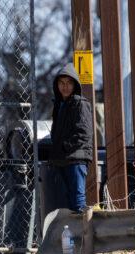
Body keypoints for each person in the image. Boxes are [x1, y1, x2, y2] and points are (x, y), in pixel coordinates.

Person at [49, 63, 93, 213]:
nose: (65, 87)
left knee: (78, 201)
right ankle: (72, 236)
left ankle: (84, 235)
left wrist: (64, 147)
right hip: (64, 159)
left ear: (75, 84)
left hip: (76, 159)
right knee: (68, 203)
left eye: (69, 83)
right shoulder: (60, 105)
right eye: (61, 83)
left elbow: (84, 133)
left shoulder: (80, 103)